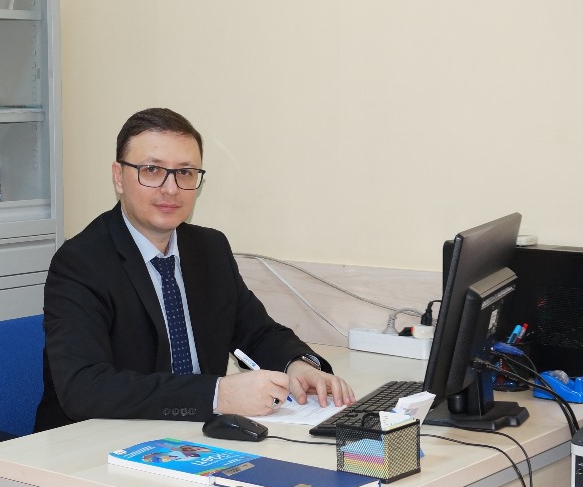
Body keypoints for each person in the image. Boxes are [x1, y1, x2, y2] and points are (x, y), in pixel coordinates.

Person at [34, 108, 355, 432]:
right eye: (152, 170)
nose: (171, 189)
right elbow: (84, 386)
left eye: (185, 173)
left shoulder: (209, 249)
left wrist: (297, 365)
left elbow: (257, 333)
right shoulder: (81, 262)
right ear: (119, 177)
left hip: (196, 437)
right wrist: (217, 395)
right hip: (94, 440)